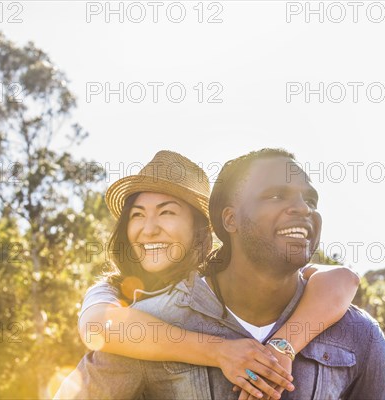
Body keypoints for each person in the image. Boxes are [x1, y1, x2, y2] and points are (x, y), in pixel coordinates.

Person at [55, 150, 366, 400]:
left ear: (200, 229)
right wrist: (220, 352)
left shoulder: (222, 283)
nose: (149, 229)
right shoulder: (115, 291)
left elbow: (341, 279)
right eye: (138, 215)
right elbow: (98, 327)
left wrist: (280, 348)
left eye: (166, 212)